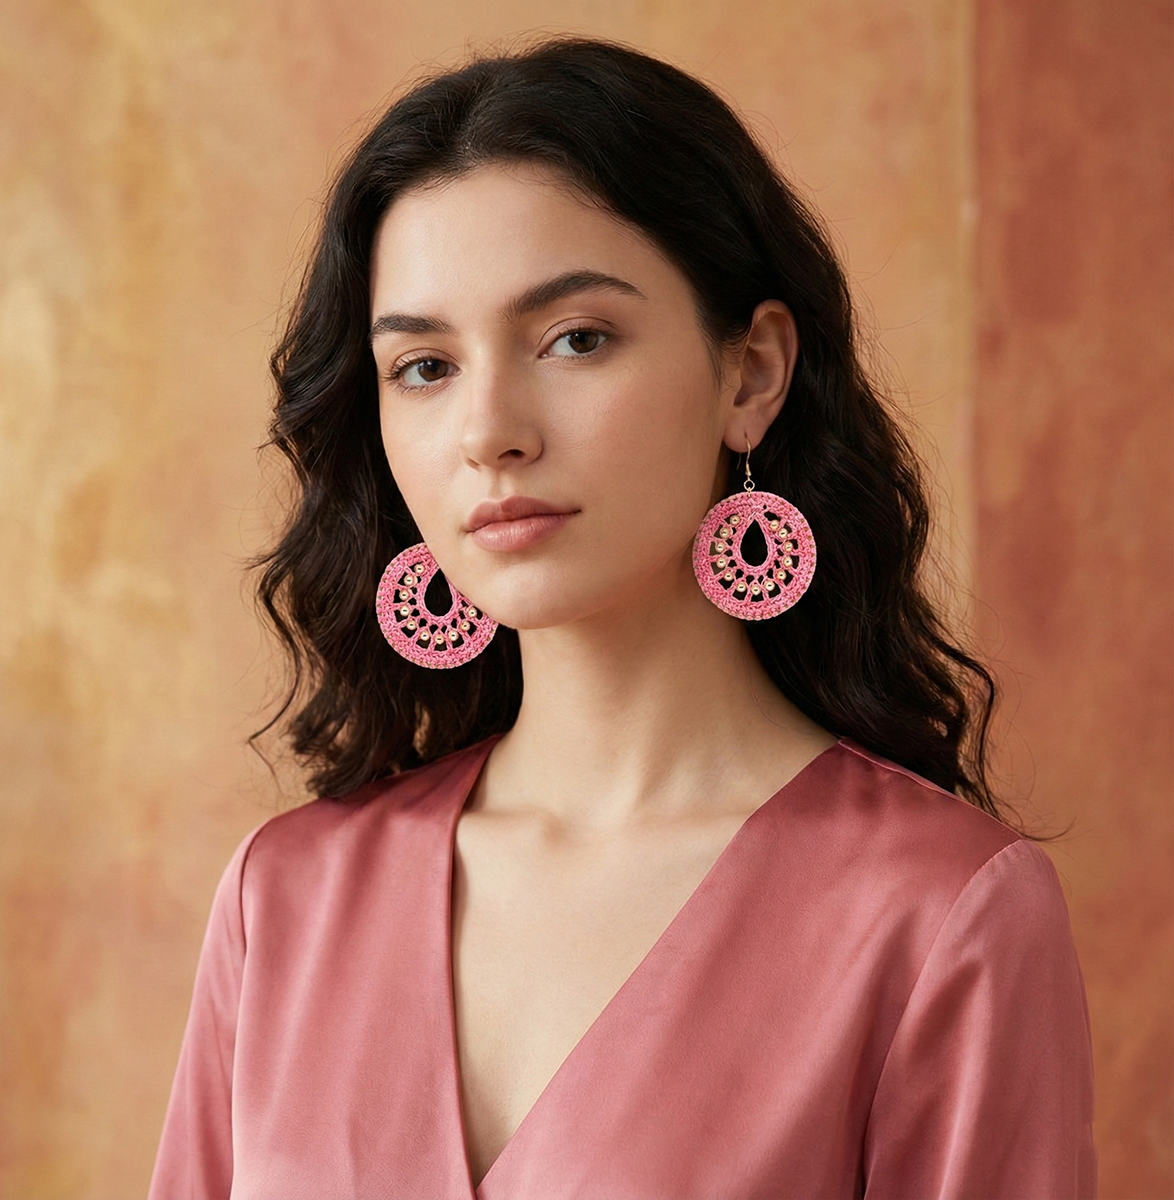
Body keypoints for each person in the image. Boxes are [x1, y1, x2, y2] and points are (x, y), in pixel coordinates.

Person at [149, 37, 1095, 1200]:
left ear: (751, 375)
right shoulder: (285, 900)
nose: (490, 432)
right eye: (426, 367)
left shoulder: (939, 912)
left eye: (576, 339)